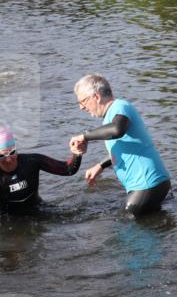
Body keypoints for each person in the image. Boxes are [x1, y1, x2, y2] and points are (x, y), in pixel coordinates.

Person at [69, 75, 170, 216]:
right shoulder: (112, 115)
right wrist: (100, 166)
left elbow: (117, 130)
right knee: (144, 228)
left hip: (147, 185)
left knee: (123, 230)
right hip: (152, 185)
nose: (81, 107)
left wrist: (85, 136)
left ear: (96, 97)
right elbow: (125, 146)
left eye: (82, 101)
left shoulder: (120, 106)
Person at [0, 126, 83, 215]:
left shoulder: (31, 161)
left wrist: (77, 152)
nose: (8, 159)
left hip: (37, 210)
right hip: (5, 219)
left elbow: (68, 169)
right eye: (2, 155)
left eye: (12, 153)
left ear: (16, 149)